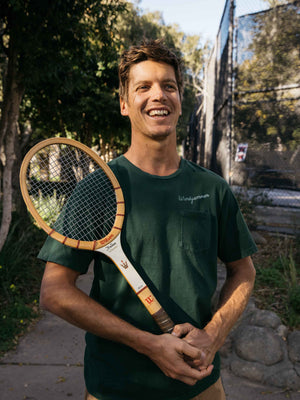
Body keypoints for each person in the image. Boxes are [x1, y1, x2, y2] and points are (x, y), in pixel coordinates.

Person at [38, 39, 257, 400]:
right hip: (117, 388)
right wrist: (149, 344)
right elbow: (55, 291)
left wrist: (213, 335)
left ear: (180, 99)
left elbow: (244, 271)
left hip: (201, 386)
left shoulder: (212, 188)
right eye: (144, 87)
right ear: (124, 104)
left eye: (168, 86)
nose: (158, 95)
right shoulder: (98, 189)